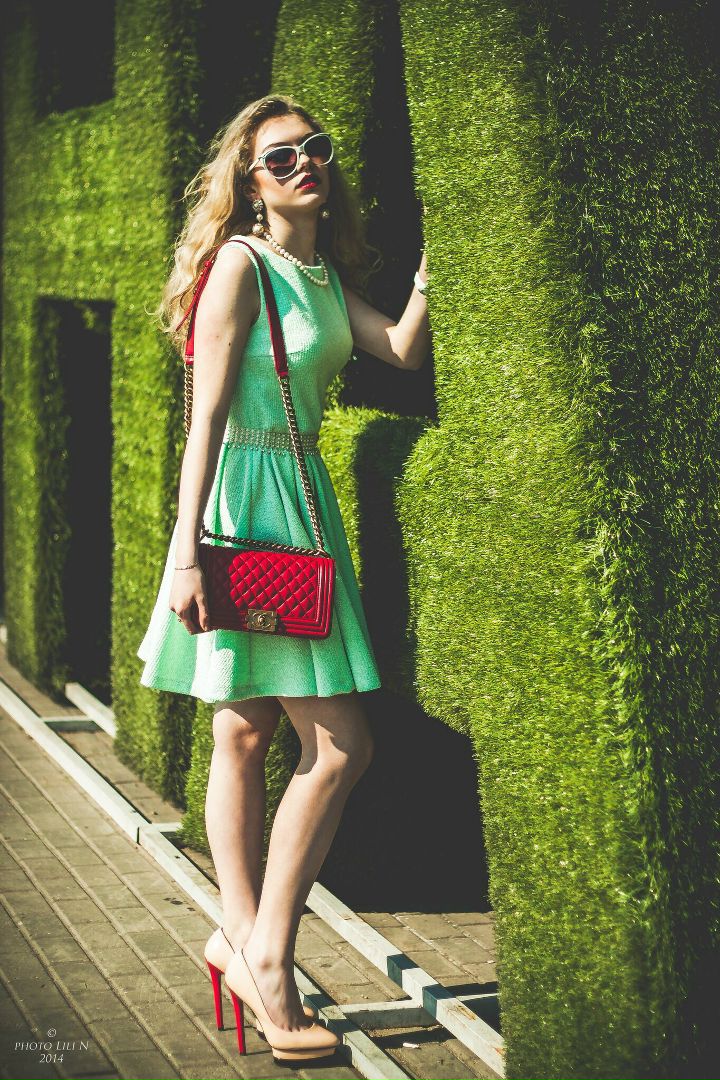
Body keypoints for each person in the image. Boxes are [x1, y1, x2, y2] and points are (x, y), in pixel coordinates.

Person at [136, 92, 430, 1063]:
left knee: (246, 729)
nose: (304, 164)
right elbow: (205, 421)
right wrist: (186, 553)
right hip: (243, 509)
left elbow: (401, 348)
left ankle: (240, 941)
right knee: (337, 744)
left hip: (303, 510)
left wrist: (438, 268)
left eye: (315, 149)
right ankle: (267, 953)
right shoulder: (241, 266)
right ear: (251, 182)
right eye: (280, 157)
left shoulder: (321, 275)